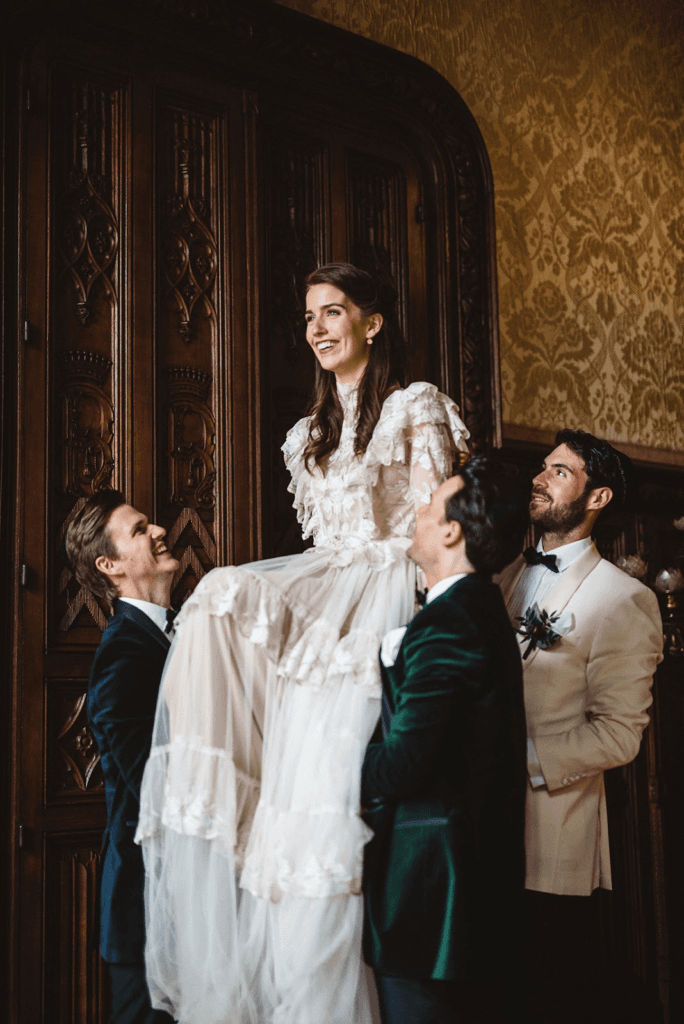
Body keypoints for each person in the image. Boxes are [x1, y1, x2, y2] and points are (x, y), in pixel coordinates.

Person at [135, 263, 470, 1024]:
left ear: (372, 322)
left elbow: (434, 528)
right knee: (221, 594)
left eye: (333, 312)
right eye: (309, 316)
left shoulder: (414, 407)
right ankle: (222, 789)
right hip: (331, 581)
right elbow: (319, 545)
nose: (317, 328)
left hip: (390, 578)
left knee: (325, 759)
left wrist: (420, 626)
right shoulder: (303, 436)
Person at [496, 429, 663, 1024]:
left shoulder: (625, 600)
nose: (539, 479)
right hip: (481, 833)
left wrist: (519, 759)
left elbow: (620, 734)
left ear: (598, 498)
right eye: (543, 467)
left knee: (546, 997)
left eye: (559, 472)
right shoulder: (507, 573)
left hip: (551, 838)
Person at [361, 457, 529, 1024]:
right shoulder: (478, 609)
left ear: (452, 531)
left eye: (429, 508)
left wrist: (321, 760)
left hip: (433, 901)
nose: (418, 515)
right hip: (468, 894)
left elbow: (406, 765)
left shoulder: (448, 624)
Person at [64, 490, 178, 1024]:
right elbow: (154, 787)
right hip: (146, 906)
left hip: (189, 900)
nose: (158, 531)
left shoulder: (187, 630)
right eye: (139, 530)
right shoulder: (121, 657)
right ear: (109, 566)